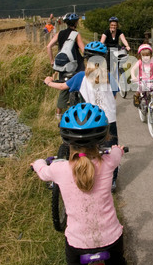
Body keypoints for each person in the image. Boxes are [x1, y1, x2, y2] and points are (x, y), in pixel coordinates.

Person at [31, 103, 130, 265]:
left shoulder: (58, 168)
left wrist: (37, 163)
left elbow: (42, 172)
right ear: (104, 136)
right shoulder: (109, 162)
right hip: (111, 238)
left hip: (78, 242)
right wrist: (117, 149)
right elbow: (116, 151)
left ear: (66, 138)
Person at [44, 41, 120, 191]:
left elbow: (62, 87)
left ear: (86, 59)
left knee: (84, 147)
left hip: (92, 119)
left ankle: (82, 173)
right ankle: (111, 181)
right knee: (111, 150)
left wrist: (48, 82)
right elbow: (114, 96)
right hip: (109, 119)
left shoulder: (81, 76)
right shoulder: (109, 77)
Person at [46, 13, 85, 120]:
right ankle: (81, 111)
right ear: (76, 22)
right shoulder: (76, 34)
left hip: (63, 66)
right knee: (81, 86)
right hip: (76, 65)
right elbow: (83, 50)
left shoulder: (60, 33)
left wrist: (52, 61)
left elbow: (48, 46)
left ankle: (58, 114)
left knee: (63, 87)